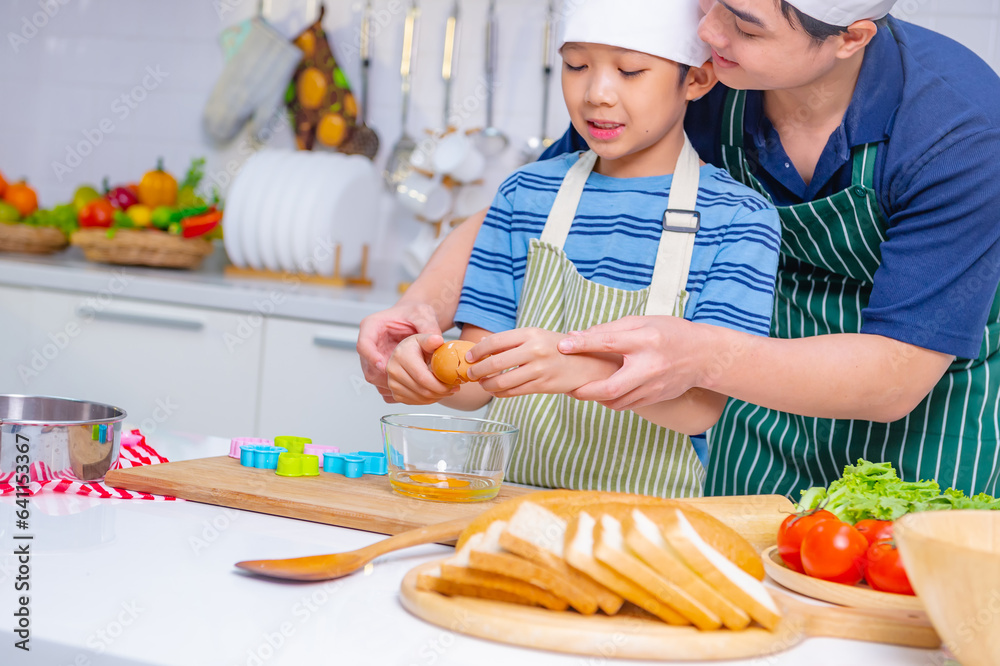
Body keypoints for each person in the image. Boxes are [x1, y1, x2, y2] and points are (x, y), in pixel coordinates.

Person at [359, 0, 1000, 498]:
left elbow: (893, 377)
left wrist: (688, 358)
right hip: (747, 405)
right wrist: (420, 311)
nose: (711, 33)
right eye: (712, 0)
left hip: (917, 406)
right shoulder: (699, 73)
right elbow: (519, 208)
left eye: (744, 26)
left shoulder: (960, 131)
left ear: (850, 37)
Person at [384, 0, 781, 498]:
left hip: (643, 524)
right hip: (510, 504)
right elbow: (476, 379)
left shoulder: (739, 220)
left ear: (697, 80)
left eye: (631, 71)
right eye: (576, 66)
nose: (597, 94)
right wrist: (428, 372)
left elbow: (698, 407)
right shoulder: (523, 196)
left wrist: (572, 368)